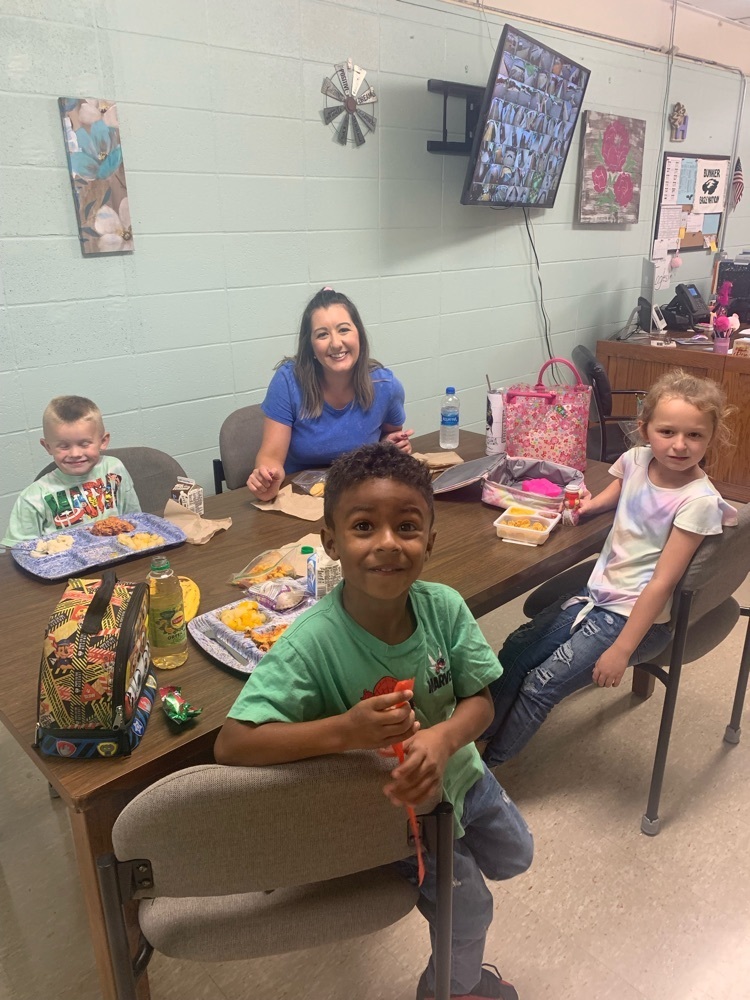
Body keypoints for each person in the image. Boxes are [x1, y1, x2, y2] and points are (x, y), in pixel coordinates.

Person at [216, 443, 533, 1000]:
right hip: (404, 816)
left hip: (464, 775)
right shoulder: (310, 644)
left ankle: (440, 878)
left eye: (407, 526)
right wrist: (346, 731)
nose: (388, 543)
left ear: (430, 540)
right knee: (470, 911)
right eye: (364, 526)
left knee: (516, 854)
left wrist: (443, 736)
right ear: (331, 541)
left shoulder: (444, 607)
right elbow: (233, 743)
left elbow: (480, 699)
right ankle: (451, 988)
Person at [481, 370, 737, 766]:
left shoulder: (697, 501)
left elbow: (661, 584)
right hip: (597, 596)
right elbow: (619, 488)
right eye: (667, 431)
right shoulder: (637, 459)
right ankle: (480, 732)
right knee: (516, 649)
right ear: (645, 429)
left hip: (636, 620)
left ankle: (485, 769)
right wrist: (592, 505)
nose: (680, 445)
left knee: (540, 683)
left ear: (710, 437)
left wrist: (622, 650)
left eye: (695, 435)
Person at [246, 288, 413, 501]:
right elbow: (270, 457)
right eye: (322, 334)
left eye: (343, 330)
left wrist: (391, 444)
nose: (335, 343)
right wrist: (268, 478)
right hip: (298, 498)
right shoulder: (288, 381)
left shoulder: (385, 385)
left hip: (359, 494)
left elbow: (387, 437)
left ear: (359, 334)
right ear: (311, 346)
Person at [2, 395, 140, 547]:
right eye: (64, 446)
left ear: (103, 441)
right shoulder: (33, 497)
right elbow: (16, 550)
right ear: (47, 447)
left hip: (118, 559)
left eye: (84, 444)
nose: (75, 454)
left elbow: (136, 520)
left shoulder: (114, 470)